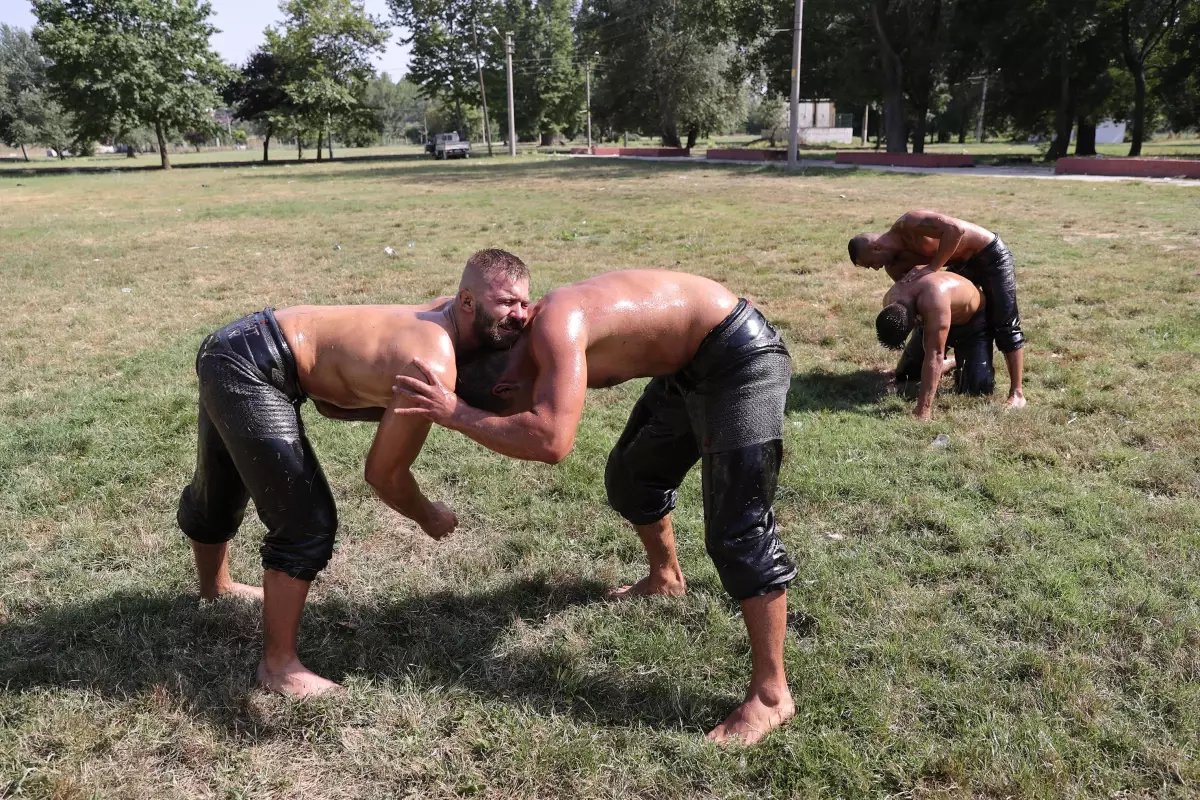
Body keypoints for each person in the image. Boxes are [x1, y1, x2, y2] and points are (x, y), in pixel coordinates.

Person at [393, 270, 799, 746]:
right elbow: (434, 315)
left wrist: (456, 413)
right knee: (631, 479)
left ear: (505, 392)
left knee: (738, 530)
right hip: (689, 366)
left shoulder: (554, 327)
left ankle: (772, 696)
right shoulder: (512, 333)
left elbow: (549, 441)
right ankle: (665, 579)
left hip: (738, 355)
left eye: (510, 410)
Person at [176, 249, 531, 698]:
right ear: (466, 301)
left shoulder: (442, 315)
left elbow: (338, 399)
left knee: (221, 483)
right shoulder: (433, 362)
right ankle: (279, 667)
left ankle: (216, 587)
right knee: (306, 522)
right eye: (505, 303)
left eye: (523, 302)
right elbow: (384, 475)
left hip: (237, 341)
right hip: (252, 366)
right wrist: (429, 515)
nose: (518, 314)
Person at [847, 210, 1026, 409]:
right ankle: (949, 361)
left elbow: (955, 230)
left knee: (1005, 324)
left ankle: (1017, 393)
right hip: (959, 264)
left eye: (871, 263)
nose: (876, 268)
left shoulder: (910, 223)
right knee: (938, 316)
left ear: (876, 247)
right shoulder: (895, 267)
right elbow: (917, 305)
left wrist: (932, 267)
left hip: (989, 254)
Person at [876, 271, 993, 421]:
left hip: (972, 323)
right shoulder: (891, 298)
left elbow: (935, 353)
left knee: (976, 388)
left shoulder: (934, 301)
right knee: (908, 372)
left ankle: (960, 358)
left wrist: (923, 409)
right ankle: (952, 361)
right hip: (933, 318)